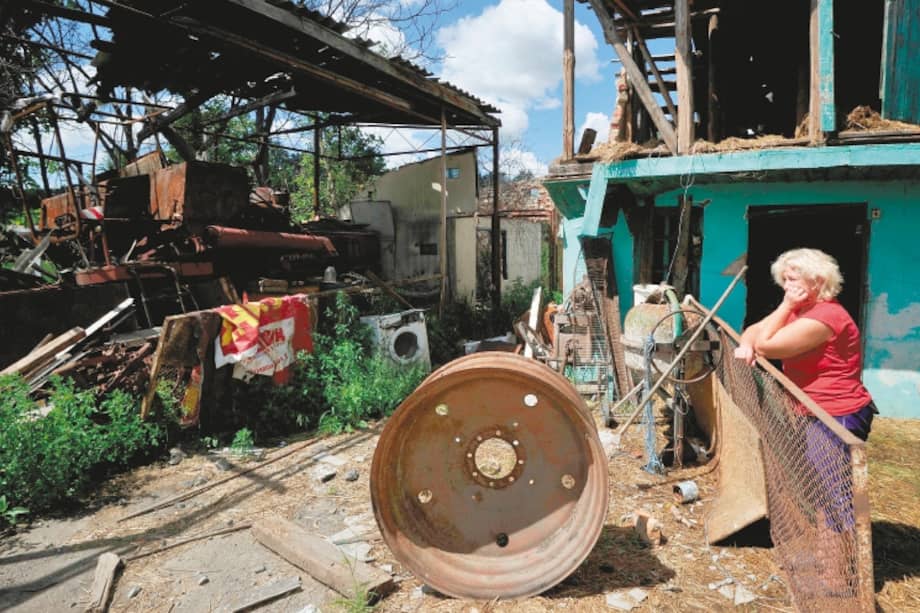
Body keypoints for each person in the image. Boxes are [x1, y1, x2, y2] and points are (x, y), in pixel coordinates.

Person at [735, 248, 877, 596]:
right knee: (827, 493)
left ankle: (839, 580)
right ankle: (832, 564)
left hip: (836, 413)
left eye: (793, 277)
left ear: (818, 279)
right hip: (815, 410)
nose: (787, 284)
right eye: (784, 278)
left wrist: (779, 315)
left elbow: (766, 344)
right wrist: (750, 341)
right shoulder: (805, 311)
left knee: (837, 493)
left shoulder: (824, 317)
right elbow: (752, 331)